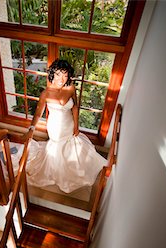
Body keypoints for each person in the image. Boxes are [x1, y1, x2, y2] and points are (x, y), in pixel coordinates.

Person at [20, 59, 107, 194]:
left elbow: (75, 108)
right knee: (57, 150)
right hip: (55, 128)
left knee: (72, 147)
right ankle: (58, 172)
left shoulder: (70, 88)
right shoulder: (46, 94)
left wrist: (76, 126)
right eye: (59, 74)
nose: (62, 78)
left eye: (65, 75)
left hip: (69, 124)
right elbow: (37, 114)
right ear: (52, 74)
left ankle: (73, 167)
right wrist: (31, 129)